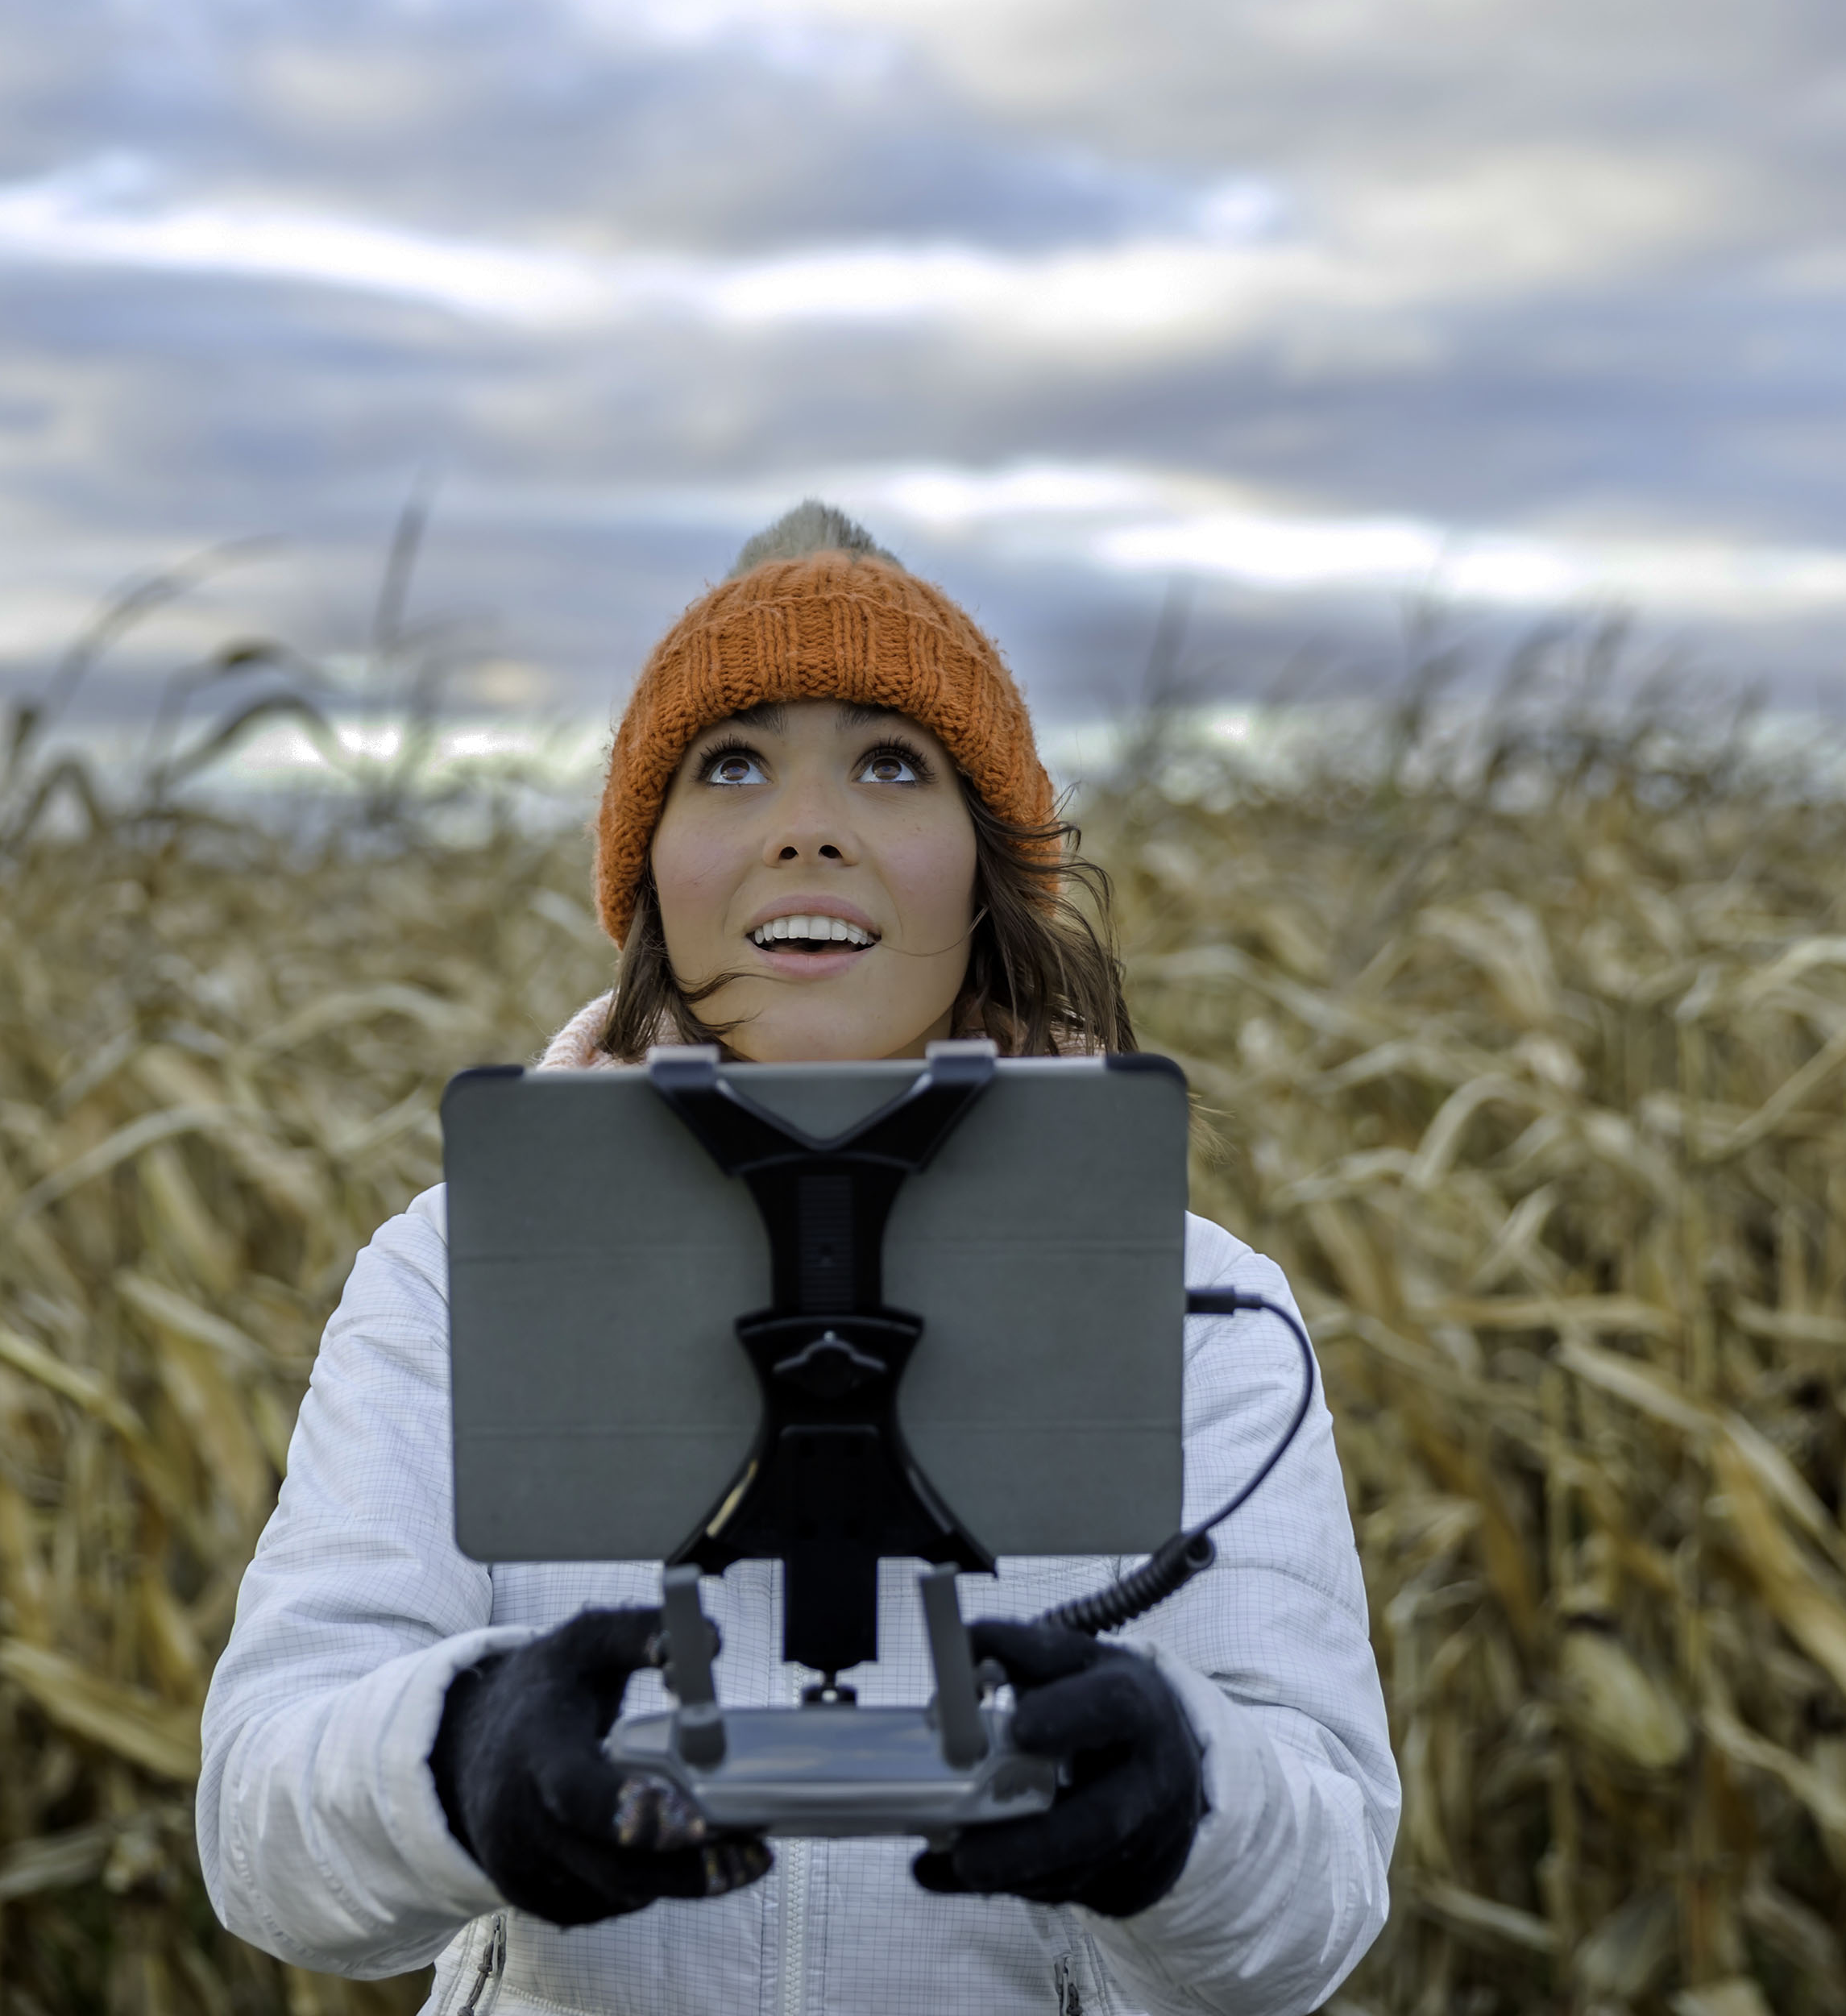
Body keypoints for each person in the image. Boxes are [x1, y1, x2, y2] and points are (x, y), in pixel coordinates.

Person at [197, 504, 1400, 2014]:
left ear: (990, 876)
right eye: (732, 764)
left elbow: (1321, 1905)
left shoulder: (1201, 1311)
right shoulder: (455, 1273)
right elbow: (260, 1834)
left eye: (891, 763)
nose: (805, 825)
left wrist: (1186, 1809)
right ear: (647, 880)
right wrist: (464, 1754)